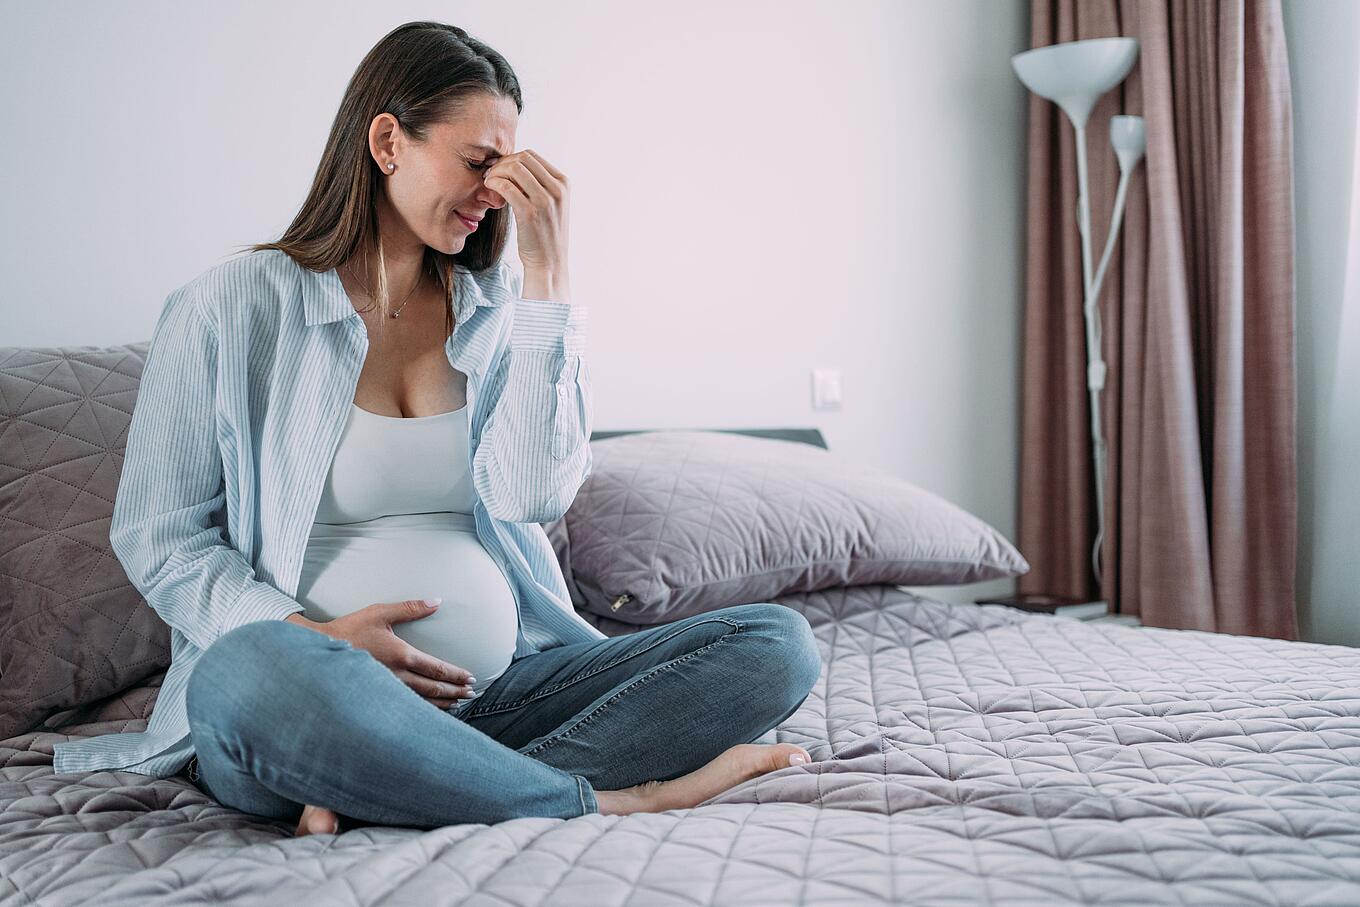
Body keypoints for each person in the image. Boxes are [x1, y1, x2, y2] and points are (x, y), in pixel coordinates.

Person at [53, 21, 821, 836]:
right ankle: (606, 796)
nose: (497, 191)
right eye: (480, 162)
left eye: (511, 168)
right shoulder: (229, 307)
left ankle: (402, 779)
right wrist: (319, 641)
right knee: (239, 679)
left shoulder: (495, 310)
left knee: (776, 643)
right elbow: (159, 536)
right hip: (308, 685)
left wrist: (550, 284)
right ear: (388, 141)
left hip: (502, 694)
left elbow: (532, 493)